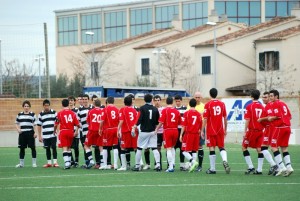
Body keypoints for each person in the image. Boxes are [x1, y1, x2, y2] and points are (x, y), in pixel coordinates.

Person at [202, 88, 230, 174]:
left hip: (211, 130)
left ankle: (213, 169)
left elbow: (205, 119)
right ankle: (225, 160)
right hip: (220, 129)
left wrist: (202, 130)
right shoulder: (222, 104)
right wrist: (225, 129)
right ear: (216, 94)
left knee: (211, 148)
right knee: (221, 147)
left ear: (210, 95)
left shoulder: (207, 105)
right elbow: (225, 118)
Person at [267, 89, 293, 176]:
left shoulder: (276, 104)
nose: (270, 98)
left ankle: (282, 167)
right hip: (287, 127)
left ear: (276, 96)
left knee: (273, 147)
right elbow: (290, 116)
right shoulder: (283, 104)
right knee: (284, 148)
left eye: (271, 96)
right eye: (269, 96)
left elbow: (277, 116)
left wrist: (271, 118)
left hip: (280, 127)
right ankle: (289, 167)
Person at [132, 94, 161, 171]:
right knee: (154, 148)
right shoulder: (155, 109)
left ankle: (137, 166)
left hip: (144, 132)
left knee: (139, 148)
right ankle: (158, 165)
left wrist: (134, 126)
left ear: (144, 100)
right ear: (151, 100)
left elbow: (139, 119)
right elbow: (157, 121)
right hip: (152, 131)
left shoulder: (142, 108)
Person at [242, 89, 266, 175]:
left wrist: (245, 131)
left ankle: (251, 167)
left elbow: (247, 120)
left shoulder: (249, 106)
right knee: (259, 149)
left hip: (252, 131)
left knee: (244, 147)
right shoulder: (262, 107)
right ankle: (259, 170)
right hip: (260, 131)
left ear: (251, 97)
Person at [155, 96, 181, 172]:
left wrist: (156, 129)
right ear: (172, 102)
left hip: (167, 130)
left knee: (168, 148)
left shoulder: (164, 110)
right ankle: (172, 164)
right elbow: (179, 123)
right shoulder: (176, 111)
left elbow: (161, 122)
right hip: (175, 130)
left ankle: (170, 167)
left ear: (166, 102)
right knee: (172, 148)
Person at [54, 99, 80, 169]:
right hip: (71, 132)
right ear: (68, 104)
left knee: (64, 148)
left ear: (62, 105)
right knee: (68, 147)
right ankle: (69, 162)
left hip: (63, 131)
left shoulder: (59, 113)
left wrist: (54, 131)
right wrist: (76, 130)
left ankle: (67, 163)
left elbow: (56, 124)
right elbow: (78, 124)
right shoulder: (73, 113)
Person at [257, 92, 278, 175]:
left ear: (269, 98)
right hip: (269, 128)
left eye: (265, 97)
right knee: (274, 148)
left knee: (264, 148)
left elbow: (270, 118)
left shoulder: (269, 106)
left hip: (270, 129)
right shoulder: (268, 106)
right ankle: (278, 167)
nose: (263, 99)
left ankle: (274, 165)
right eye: (263, 97)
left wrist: (261, 119)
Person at [180, 98, 202, 172]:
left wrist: (181, 135)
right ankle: (193, 166)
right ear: (195, 105)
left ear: (189, 104)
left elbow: (183, 125)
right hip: (196, 134)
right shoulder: (199, 114)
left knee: (184, 150)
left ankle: (193, 162)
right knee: (194, 150)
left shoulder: (187, 113)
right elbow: (200, 126)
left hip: (189, 134)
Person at [117, 96, 138, 171]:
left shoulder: (122, 109)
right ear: (131, 102)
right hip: (134, 131)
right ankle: (138, 164)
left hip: (126, 131)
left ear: (124, 102)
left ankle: (124, 166)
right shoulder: (134, 110)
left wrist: (118, 129)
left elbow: (121, 121)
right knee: (135, 148)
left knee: (123, 147)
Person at [37, 99, 59, 168]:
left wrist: (57, 131)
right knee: (47, 148)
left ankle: (55, 162)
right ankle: (49, 163)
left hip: (53, 134)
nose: (46, 107)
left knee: (54, 147)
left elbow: (57, 122)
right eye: (45, 106)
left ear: (49, 105)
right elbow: (39, 125)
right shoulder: (40, 114)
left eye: (47, 105)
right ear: (43, 106)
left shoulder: (54, 113)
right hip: (45, 135)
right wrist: (39, 136)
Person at [15, 100, 37, 168]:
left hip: (30, 133)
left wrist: (35, 132)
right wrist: (18, 129)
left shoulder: (33, 114)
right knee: (22, 148)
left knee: (33, 148)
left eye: (27, 106)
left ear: (29, 107)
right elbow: (16, 123)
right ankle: (21, 164)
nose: (26, 107)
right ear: (23, 107)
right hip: (22, 134)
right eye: (25, 106)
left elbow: (35, 124)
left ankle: (34, 163)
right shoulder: (19, 114)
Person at [144, 95, 164, 170]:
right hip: (151, 131)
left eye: (158, 100)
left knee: (158, 149)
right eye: (155, 100)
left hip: (161, 132)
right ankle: (147, 164)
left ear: (160, 101)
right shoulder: (151, 109)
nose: (157, 102)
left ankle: (158, 164)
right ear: (153, 101)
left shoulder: (163, 109)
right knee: (146, 148)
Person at [99, 97, 119, 170]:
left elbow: (102, 121)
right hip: (116, 129)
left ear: (107, 101)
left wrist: (100, 129)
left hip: (108, 130)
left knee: (105, 147)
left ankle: (104, 164)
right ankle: (116, 164)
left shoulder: (105, 109)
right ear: (113, 101)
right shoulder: (117, 110)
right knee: (115, 147)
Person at [188, 91, 205, 172]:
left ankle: (200, 166)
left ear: (201, 98)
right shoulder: (189, 105)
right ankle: (192, 164)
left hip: (200, 128)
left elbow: (205, 119)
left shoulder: (203, 106)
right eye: (196, 97)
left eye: (199, 97)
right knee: (190, 148)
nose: (197, 99)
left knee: (200, 146)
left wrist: (202, 130)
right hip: (191, 129)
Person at [84, 99, 104, 169]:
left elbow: (88, 122)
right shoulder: (103, 111)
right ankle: (102, 163)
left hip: (92, 130)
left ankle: (91, 161)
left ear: (94, 104)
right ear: (100, 104)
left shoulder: (90, 111)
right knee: (101, 147)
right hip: (100, 131)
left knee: (86, 146)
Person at [77, 94, 94, 168]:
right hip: (84, 132)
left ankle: (99, 163)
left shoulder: (92, 108)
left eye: (85, 99)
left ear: (88, 99)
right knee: (86, 147)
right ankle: (88, 162)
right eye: (83, 99)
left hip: (93, 131)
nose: (84, 101)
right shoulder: (79, 110)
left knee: (96, 147)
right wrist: (80, 127)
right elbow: (78, 121)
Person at [174, 94, 187, 170]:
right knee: (174, 148)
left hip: (183, 130)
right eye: (176, 101)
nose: (178, 103)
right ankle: (172, 164)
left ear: (181, 101)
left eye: (179, 101)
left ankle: (182, 165)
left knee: (182, 148)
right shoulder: (173, 109)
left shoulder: (185, 109)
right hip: (176, 130)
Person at [68, 96, 80, 167]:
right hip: (69, 131)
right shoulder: (67, 110)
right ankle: (71, 160)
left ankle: (76, 161)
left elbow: (78, 121)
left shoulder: (77, 110)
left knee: (76, 147)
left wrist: (77, 130)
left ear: (74, 101)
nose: (70, 102)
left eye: (72, 100)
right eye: (69, 100)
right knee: (69, 146)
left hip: (75, 130)